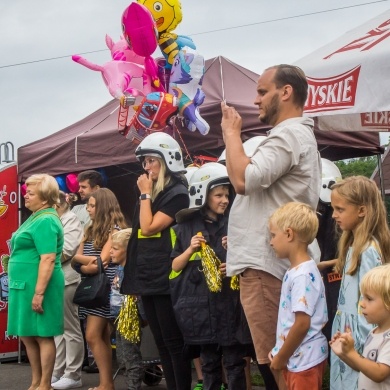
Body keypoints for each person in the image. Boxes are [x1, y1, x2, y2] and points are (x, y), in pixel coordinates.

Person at [220, 64, 321, 388]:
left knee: (275, 364)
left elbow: (242, 179)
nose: (256, 100)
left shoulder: (289, 133)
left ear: (286, 92)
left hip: (266, 265)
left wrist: (232, 133)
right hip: (274, 264)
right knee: (280, 362)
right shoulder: (294, 134)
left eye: (262, 91)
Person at [171, 162, 251, 390]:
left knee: (235, 363)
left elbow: (250, 261)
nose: (225, 200)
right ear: (203, 194)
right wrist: (190, 250)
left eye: (227, 194)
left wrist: (235, 257)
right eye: (218, 195)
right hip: (201, 309)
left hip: (229, 306)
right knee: (209, 364)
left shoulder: (235, 224)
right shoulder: (184, 228)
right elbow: (175, 266)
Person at [121, 132, 192, 390]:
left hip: (166, 276)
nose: (146, 167)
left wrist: (145, 194)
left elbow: (149, 227)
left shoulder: (177, 192)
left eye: (151, 160)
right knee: (161, 341)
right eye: (145, 162)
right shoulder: (155, 193)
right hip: (148, 275)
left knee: (173, 341)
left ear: (167, 160)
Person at [329, 175, 390, 390]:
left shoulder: (367, 251)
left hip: (361, 338)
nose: (334, 215)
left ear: (362, 211)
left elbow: (373, 304)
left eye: (340, 209)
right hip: (348, 332)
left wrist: (363, 351)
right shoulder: (356, 246)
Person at [7, 174, 65, 390]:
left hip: (39, 285)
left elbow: (48, 258)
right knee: (27, 334)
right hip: (24, 285)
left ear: (45, 197)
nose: (25, 197)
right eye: (26, 192)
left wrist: (39, 293)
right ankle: (36, 382)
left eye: (31, 193)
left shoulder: (46, 219)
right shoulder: (37, 216)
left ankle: (45, 384)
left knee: (42, 334)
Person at [71, 188, 127, 390]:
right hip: (90, 288)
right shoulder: (89, 229)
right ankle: (106, 383)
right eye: (88, 205)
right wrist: (84, 264)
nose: (88, 209)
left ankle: (106, 384)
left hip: (104, 290)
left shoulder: (115, 231)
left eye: (92, 205)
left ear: (103, 207)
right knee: (100, 335)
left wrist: (80, 261)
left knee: (92, 335)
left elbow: (102, 261)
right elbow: (77, 261)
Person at [268, 202, 328, 389]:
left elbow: (302, 324)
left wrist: (281, 357)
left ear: (289, 234)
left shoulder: (301, 276)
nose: (270, 242)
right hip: (298, 358)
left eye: (273, 235)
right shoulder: (297, 270)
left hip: (304, 362)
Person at [330, 264, 390, 389]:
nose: (362, 304)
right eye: (363, 297)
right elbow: (363, 367)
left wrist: (352, 353)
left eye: (369, 299)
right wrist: (344, 354)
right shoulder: (374, 332)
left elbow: (379, 373)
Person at [71, 169, 104, 373]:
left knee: (97, 330)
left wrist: (84, 262)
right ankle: (90, 360)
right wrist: (83, 264)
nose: (79, 191)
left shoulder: (110, 224)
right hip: (84, 275)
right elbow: (76, 253)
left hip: (102, 279)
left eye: (84, 187)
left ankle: (100, 367)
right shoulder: (78, 213)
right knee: (86, 325)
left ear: (97, 189)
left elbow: (102, 259)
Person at [51, 191, 84, 389]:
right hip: (57, 279)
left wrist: (45, 255)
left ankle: (73, 373)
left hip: (67, 279)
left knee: (70, 328)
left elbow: (68, 250)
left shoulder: (70, 220)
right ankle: (58, 370)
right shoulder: (59, 219)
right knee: (58, 328)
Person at [110, 228, 144, 390]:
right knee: (122, 357)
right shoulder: (119, 269)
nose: (110, 252)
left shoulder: (133, 271)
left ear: (128, 250)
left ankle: (133, 387)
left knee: (131, 357)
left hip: (130, 319)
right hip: (118, 317)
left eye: (115, 249)